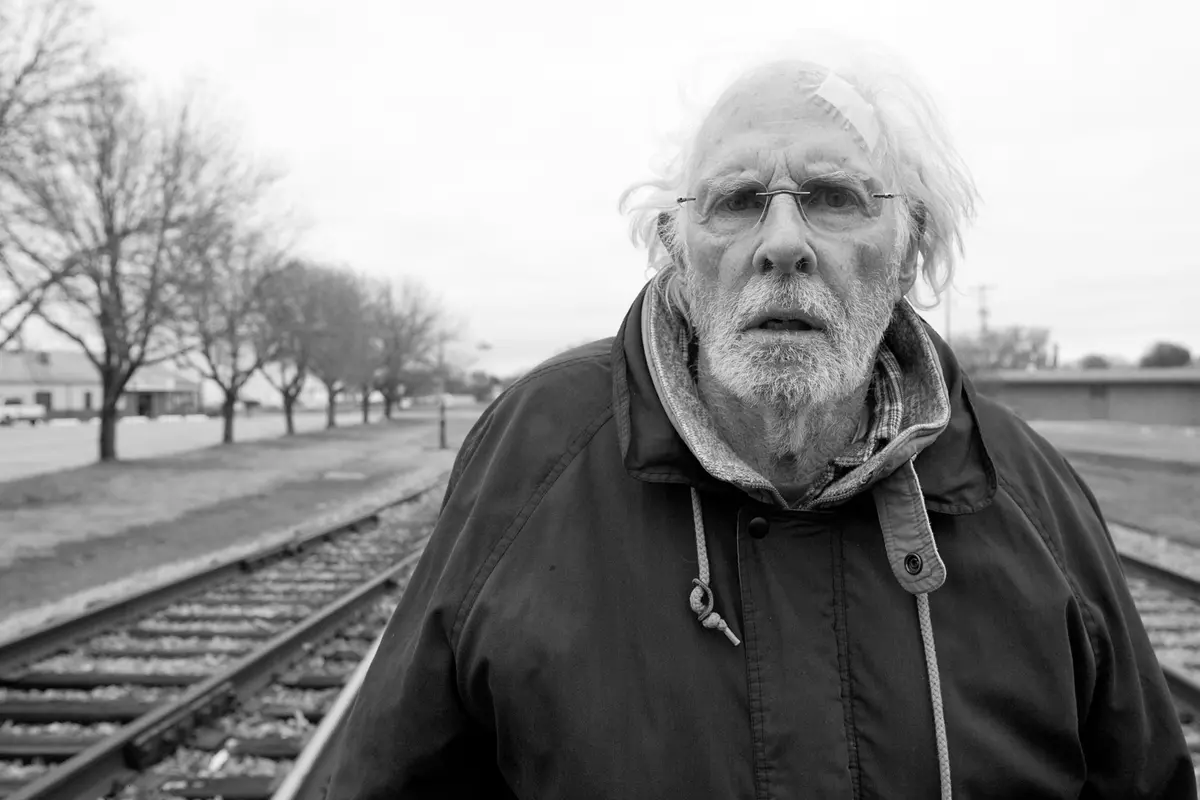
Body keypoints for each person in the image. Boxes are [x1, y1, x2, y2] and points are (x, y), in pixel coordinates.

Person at [328, 40, 1196, 799]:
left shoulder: (1026, 489)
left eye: (833, 195)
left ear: (911, 247)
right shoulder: (539, 449)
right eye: (738, 200)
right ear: (678, 249)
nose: (783, 241)